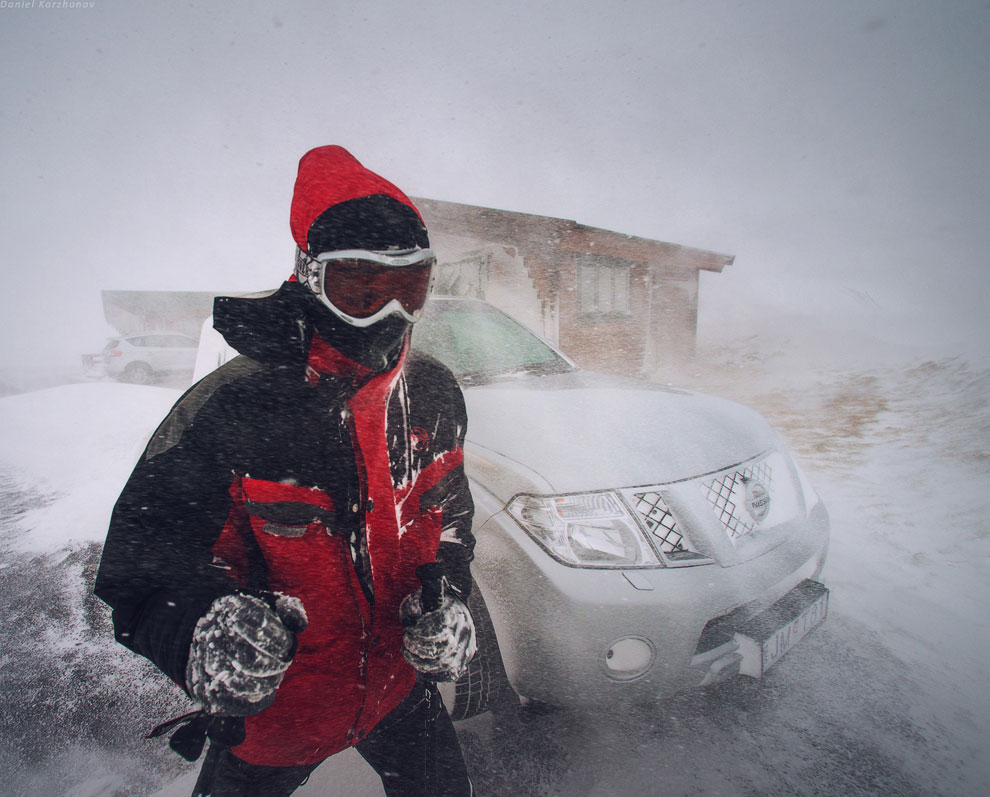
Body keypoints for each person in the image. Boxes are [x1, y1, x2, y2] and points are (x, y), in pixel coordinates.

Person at [94, 145, 478, 796]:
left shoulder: (434, 395)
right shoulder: (234, 408)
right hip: (277, 717)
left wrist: (450, 608)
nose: (388, 313)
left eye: (408, 284)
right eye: (359, 287)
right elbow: (141, 571)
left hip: (395, 692)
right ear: (308, 277)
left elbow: (452, 528)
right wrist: (202, 635)